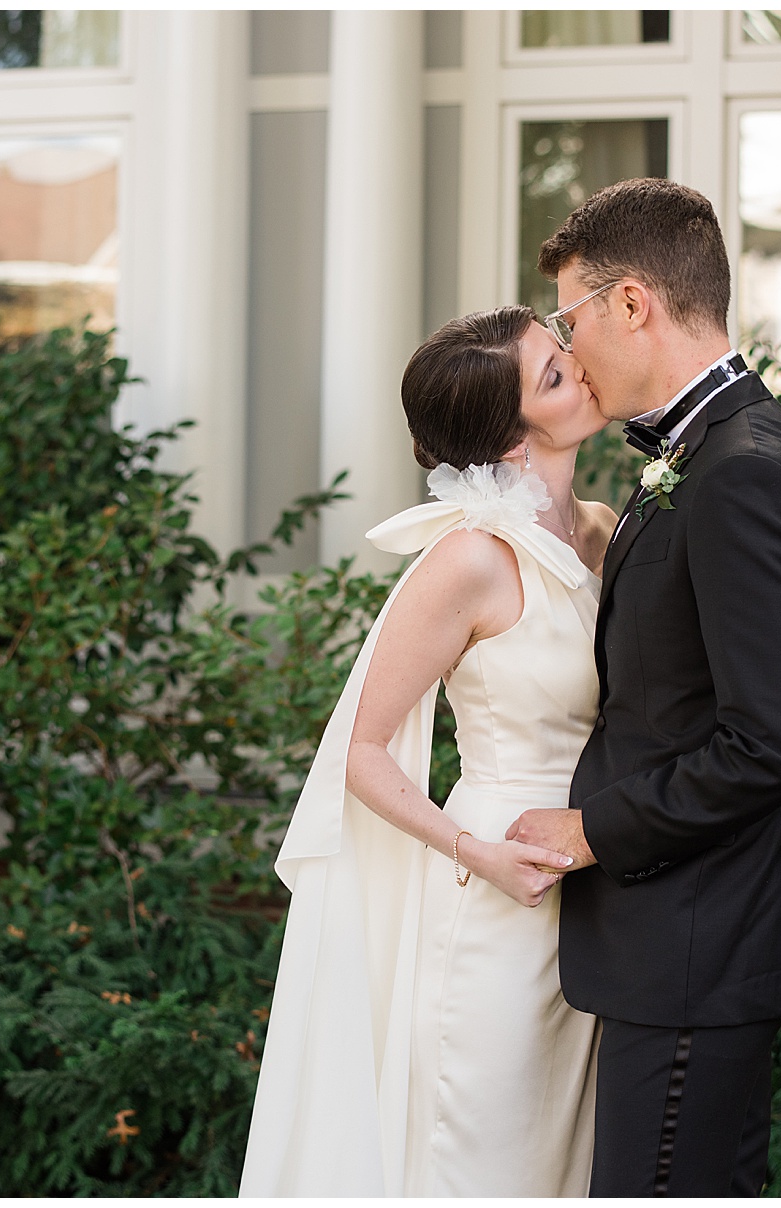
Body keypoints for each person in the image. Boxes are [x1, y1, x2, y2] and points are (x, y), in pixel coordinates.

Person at [506, 176, 781, 1197]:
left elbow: (771, 742)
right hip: (681, 938)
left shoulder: (744, 468)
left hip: (702, 939)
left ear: (630, 303)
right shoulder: (702, 455)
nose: (565, 353)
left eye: (568, 319)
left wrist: (591, 829)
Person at [239, 307, 616, 1196]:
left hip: (601, 878)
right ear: (514, 443)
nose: (580, 364)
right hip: (498, 889)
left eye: (559, 349)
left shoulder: (603, 531)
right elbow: (363, 754)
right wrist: (475, 852)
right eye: (554, 376)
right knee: (487, 1158)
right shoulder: (470, 561)